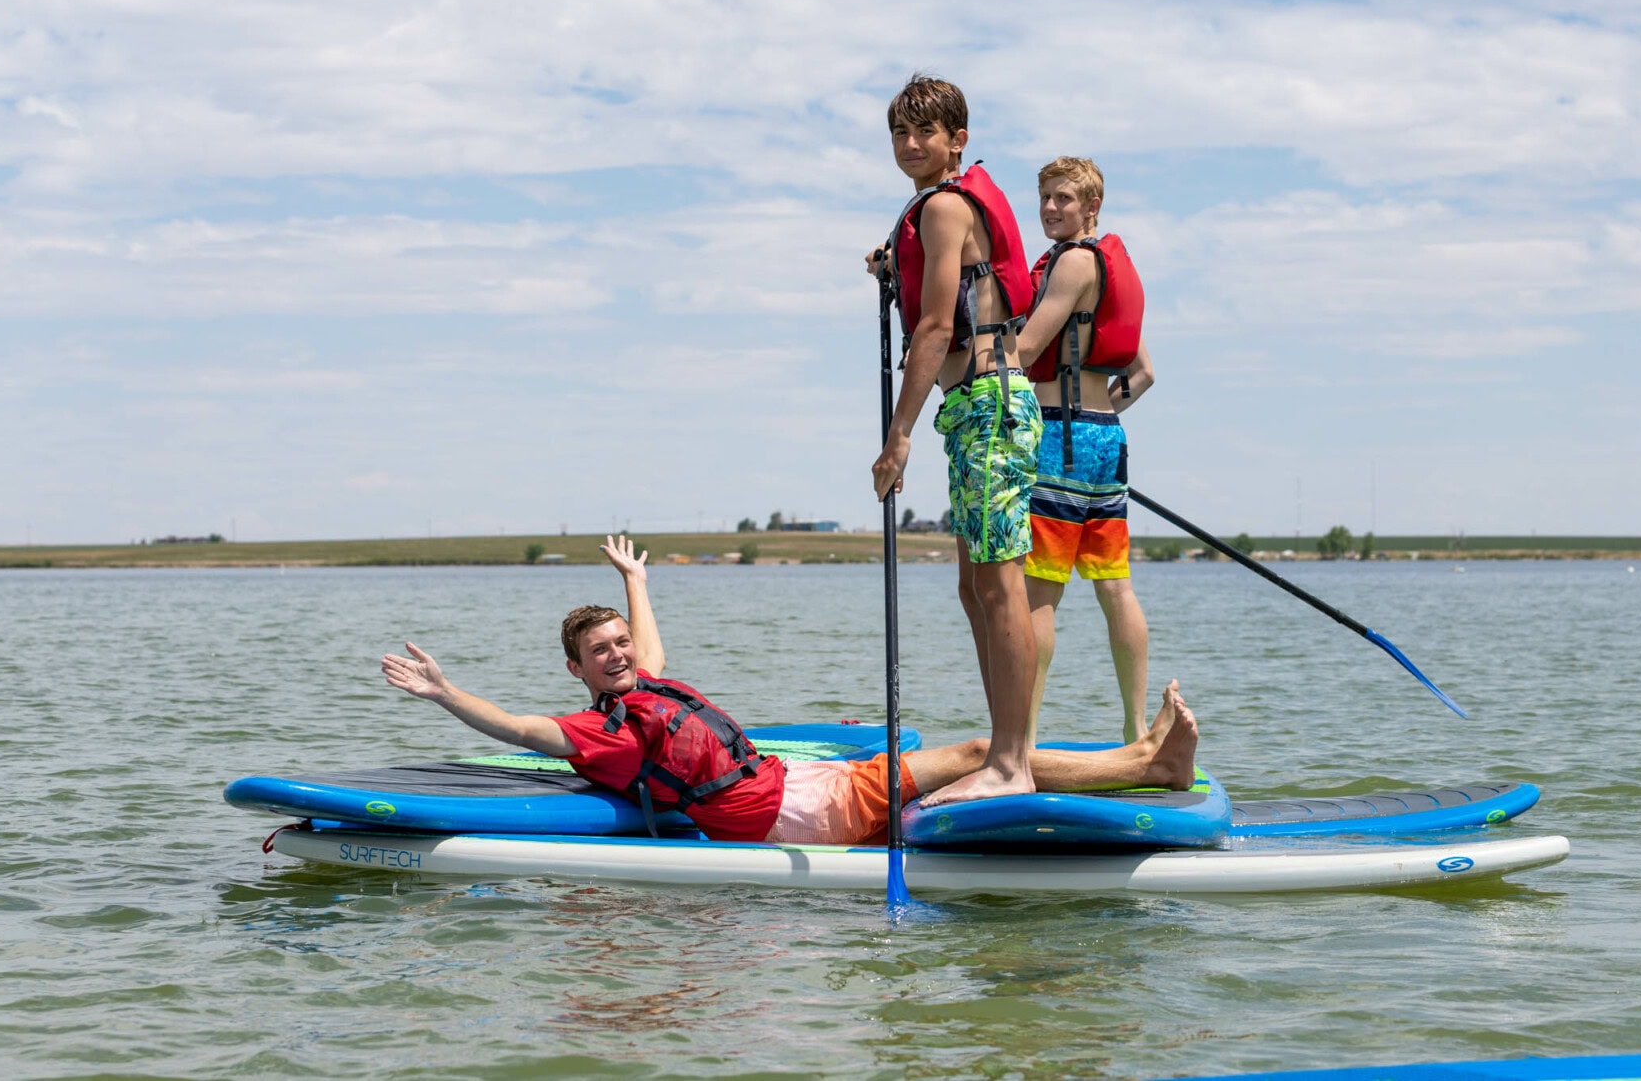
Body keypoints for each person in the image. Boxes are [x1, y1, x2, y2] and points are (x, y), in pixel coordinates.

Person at [380, 536, 1199, 847]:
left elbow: (652, 645)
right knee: (982, 752)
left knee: (971, 755)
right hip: (799, 815)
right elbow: (524, 732)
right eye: (601, 653)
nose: (620, 654)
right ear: (579, 673)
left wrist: (634, 579)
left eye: (619, 643)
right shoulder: (603, 731)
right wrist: (448, 692)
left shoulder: (646, 682)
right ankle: (1146, 766)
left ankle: (1138, 756)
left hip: (802, 785)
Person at [866, 74, 1045, 808]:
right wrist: (890, 269)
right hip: (976, 407)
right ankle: (1006, 753)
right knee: (976, 588)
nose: (911, 146)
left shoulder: (943, 205)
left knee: (999, 588)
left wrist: (897, 436)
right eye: (900, 136)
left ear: (957, 140)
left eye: (925, 134)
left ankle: (1012, 763)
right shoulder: (938, 207)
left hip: (989, 404)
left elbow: (938, 328)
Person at [1014, 157, 1157, 742]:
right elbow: (1144, 373)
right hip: (1105, 439)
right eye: (1045, 197)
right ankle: (1136, 729)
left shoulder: (1072, 263)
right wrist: (1098, 418)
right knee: (1113, 585)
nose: (1050, 208)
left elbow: (1023, 351)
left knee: (1038, 592)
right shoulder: (1111, 267)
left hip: (1059, 437)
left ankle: (1018, 740)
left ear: (1092, 207)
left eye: (1064, 199)